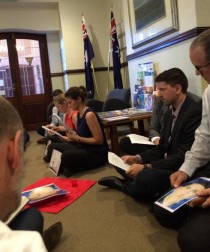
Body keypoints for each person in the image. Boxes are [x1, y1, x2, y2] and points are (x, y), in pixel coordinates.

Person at [98, 68, 202, 200]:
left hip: (179, 167)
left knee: (144, 177)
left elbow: (182, 157)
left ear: (177, 89)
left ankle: (124, 186)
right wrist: (137, 158)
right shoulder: (169, 113)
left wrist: (145, 166)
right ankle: (136, 181)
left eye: (162, 89)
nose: (158, 94)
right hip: (166, 159)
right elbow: (162, 147)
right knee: (124, 161)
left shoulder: (193, 113)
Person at [153, 29, 210, 252]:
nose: (196, 74)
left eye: (200, 67)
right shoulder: (208, 94)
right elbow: (204, 137)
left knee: (190, 240)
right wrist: (186, 170)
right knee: (163, 209)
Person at [0, 89, 62, 251]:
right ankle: (43, 238)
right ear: (12, 152)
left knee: (32, 215)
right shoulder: (26, 246)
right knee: (32, 216)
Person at [44, 86, 108, 177]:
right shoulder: (78, 114)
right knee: (53, 146)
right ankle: (69, 167)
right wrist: (71, 137)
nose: (69, 105)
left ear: (78, 99)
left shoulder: (89, 115)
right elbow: (79, 134)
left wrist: (77, 139)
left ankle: (69, 166)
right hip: (83, 147)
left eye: (70, 102)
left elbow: (99, 141)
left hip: (96, 153)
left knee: (66, 155)